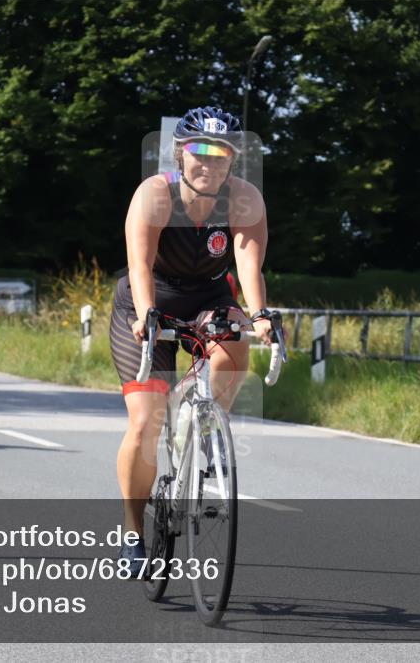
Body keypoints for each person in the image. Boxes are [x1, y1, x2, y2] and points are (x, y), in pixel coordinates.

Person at [108, 106, 275, 576]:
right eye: (199, 152)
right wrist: (146, 317)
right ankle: (131, 534)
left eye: (221, 154)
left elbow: (247, 261)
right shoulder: (154, 195)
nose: (210, 163)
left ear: (230, 162)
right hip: (147, 301)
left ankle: (206, 415)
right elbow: (139, 264)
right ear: (180, 154)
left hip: (207, 296)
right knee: (144, 423)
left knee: (236, 338)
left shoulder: (245, 199)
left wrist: (259, 315)